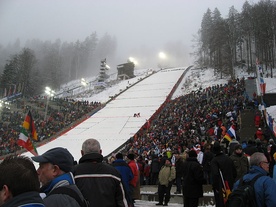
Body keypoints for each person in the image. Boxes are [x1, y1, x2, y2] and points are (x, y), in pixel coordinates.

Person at [73, 138, 128, 207]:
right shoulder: (113, 173)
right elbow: (122, 201)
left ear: (82, 153)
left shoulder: (74, 173)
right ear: (100, 152)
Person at [211, 141, 236, 207]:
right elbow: (234, 172)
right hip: (230, 183)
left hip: (220, 185)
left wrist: (215, 186)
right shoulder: (229, 159)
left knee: (221, 202)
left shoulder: (214, 160)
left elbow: (215, 174)